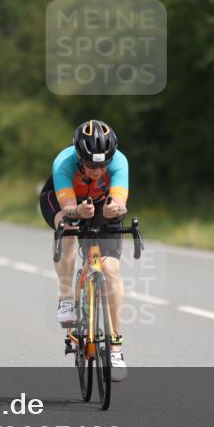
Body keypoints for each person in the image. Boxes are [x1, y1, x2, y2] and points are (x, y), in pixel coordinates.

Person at [39, 120, 129, 380]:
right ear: (79, 157)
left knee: (111, 269)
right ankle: (66, 298)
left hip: (102, 205)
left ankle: (115, 348)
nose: (98, 171)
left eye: (103, 165)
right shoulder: (63, 163)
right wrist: (76, 211)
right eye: (91, 165)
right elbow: (67, 207)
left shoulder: (120, 162)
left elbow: (121, 201)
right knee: (68, 226)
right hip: (63, 203)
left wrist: (117, 209)